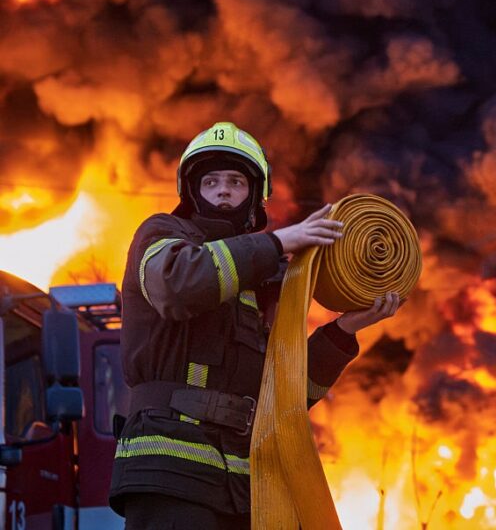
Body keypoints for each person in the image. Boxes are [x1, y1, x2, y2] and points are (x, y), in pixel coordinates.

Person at [109, 121, 400, 529]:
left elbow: (285, 396)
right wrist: (280, 243)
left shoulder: (262, 286)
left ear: (254, 196)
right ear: (192, 191)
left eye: (235, 181)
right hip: (169, 474)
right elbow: (178, 286)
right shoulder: (162, 235)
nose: (223, 190)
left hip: (244, 485)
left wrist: (344, 330)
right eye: (211, 181)